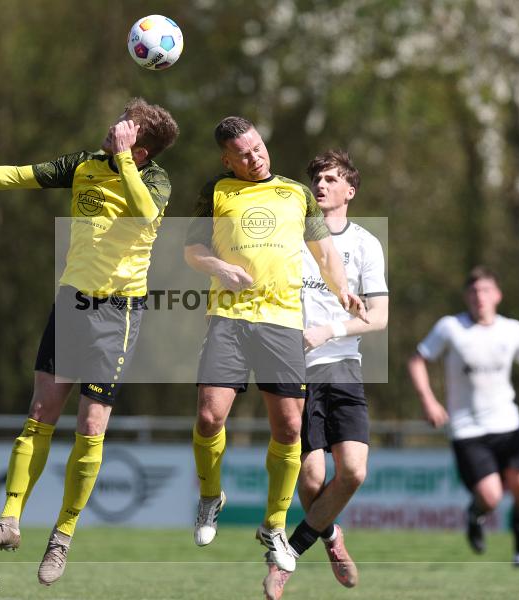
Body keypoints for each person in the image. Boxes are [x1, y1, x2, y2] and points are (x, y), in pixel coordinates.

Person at [0, 98, 179, 586]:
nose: (113, 128)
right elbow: (13, 175)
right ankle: (9, 521)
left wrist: (122, 163)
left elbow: (142, 215)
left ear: (141, 149)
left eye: (126, 128)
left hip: (118, 314)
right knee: (39, 413)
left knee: (91, 426)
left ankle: (63, 536)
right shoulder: (83, 166)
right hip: (73, 304)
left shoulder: (155, 181)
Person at [183, 117, 367, 576]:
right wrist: (220, 270)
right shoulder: (217, 191)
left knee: (288, 429)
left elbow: (325, 254)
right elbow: (191, 250)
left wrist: (343, 289)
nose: (256, 157)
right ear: (228, 159)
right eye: (244, 153)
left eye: (259, 147)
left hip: (281, 324)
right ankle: (209, 496)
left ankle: (274, 526)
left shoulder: (295, 193)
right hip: (228, 318)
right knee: (209, 416)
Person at [262, 150, 389, 600]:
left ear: (349, 191)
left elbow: (379, 318)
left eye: (331, 178)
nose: (320, 183)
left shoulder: (366, 244)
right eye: (316, 177)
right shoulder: (290, 237)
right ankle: (330, 536)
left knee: (352, 472)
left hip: (340, 367)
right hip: (290, 369)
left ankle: (290, 552)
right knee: (312, 481)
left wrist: (328, 330)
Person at [407, 266, 519, 567]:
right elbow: (417, 361)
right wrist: (428, 401)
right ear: (466, 297)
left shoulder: (513, 330)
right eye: (473, 292)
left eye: (485, 291)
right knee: (492, 497)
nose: (479, 297)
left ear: (497, 295)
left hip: (508, 426)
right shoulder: (450, 327)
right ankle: (476, 513)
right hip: (468, 430)